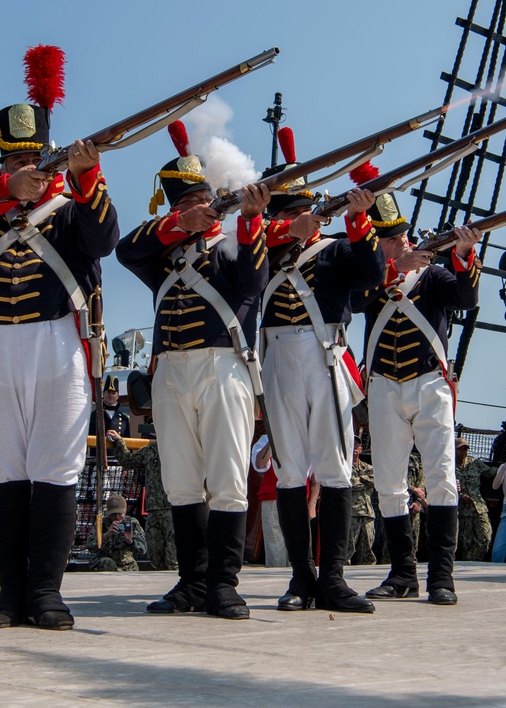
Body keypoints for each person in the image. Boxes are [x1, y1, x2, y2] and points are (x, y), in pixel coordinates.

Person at [0, 46, 119, 630]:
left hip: (57, 345)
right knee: (5, 469)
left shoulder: (69, 210)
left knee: (54, 468)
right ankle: (9, 592)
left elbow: (105, 238)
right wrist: (3, 192)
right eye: (12, 160)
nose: (21, 166)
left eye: (30, 158)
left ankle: (46, 591)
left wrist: (88, 174)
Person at [115, 121, 268, 620]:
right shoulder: (162, 252)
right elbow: (125, 249)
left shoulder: (233, 246)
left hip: (223, 365)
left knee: (226, 480)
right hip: (170, 371)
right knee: (181, 482)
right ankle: (192, 582)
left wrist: (250, 221)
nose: (189, 212)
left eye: (197, 203)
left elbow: (251, 284)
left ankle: (223, 584)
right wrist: (180, 226)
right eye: (181, 206)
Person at [253, 127, 384, 613]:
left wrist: (357, 220)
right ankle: (299, 579)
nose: (293, 221)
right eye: (284, 214)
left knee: (334, 470)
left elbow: (372, 274)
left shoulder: (334, 250)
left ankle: (332, 577)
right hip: (277, 360)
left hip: (324, 355)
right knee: (290, 475)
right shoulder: (260, 253)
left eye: (299, 213)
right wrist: (285, 233)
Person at [351, 179, 481, 605]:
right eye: (391, 239)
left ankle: (442, 577)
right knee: (389, 483)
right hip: (385, 386)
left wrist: (463, 254)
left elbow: (463, 297)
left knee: (442, 479)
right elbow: (354, 299)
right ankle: (403, 574)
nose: (400, 242)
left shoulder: (433, 273)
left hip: (429, 384)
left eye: (401, 234)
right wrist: (392, 268)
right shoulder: (371, 276)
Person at [110, 427, 177, 571]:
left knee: (173, 557)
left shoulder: (179, 450)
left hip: (172, 508)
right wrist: (119, 442)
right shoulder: (149, 451)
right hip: (153, 508)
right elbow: (128, 461)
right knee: (155, 553)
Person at [252, 432, 288, 567]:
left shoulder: (301, 433)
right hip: (272, 496)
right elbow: (260, 463)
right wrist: (273, 438)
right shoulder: (265, 439)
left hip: (298, 495)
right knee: (274, 544)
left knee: (297, 542)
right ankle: (276, 577)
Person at [455, 437, 494, 562]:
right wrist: (461, 496)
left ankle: (475, 561)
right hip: (462, 510)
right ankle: (468, 564)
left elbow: (491, 473)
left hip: (478, 507)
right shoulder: (449, 466)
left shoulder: (474, 463)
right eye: (460, 449)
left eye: (466, 449)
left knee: (485, 536)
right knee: (466, 542)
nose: (463, 452)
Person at [86, 494, 146, 571]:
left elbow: (143, 549)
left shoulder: (131, 523)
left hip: (125, 564)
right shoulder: (101, 523)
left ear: (124, 512)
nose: (117, 517)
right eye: (113, 514)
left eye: (120, 514)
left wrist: (130, 542)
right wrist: (106, 536)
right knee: (108, 563)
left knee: (133, 570)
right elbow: (90, 546)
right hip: (103, 561)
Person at [349, 436, 376, 565]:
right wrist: (365, 481)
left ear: (360, 449)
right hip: (351, 513)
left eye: (357, 446)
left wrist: (360, 479)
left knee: (367, 551)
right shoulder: (345, 468)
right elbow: (350, 484)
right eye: (352, 445)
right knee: (348, 549)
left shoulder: (367, 466)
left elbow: (376, 482)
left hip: (367, 513)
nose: (354, 449)